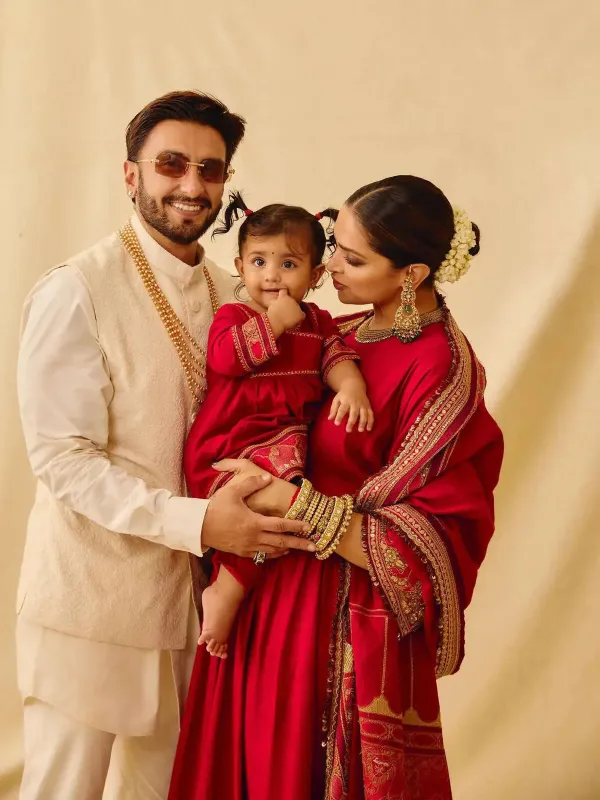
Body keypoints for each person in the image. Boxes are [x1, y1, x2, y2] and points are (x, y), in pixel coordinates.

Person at [15, 90, 313, 800]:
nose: (191, 185)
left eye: (211, 171)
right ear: (131, 175)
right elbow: (63, 459)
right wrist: (202, 521)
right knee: (66, 789)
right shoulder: (76, 289)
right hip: (91, 599)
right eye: (171, 164)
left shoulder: (231, 289)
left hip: (197, 608)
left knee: (173, 788)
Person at [169, 175, 505, 799]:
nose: (330, 269)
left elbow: (430, 542)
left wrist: (288, 500)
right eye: (333, 247)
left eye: (351, 259)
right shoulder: (340, 335)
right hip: (270, 587)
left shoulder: (443, 369)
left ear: (412, 274)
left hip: (339, 619)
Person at [185, 191, 373, 658]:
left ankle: (229, 587)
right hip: (231, 438)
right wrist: (273, 324)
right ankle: (225, 590)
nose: (271, 274)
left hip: (281, 441)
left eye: (288, 264)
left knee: (278, 517)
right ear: (240, 266)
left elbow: (337, 358)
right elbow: (225, 359)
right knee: (268, 508)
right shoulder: (235, 315)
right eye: (259, 261)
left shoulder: (319, 322)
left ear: (313, 276)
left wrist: (351, 388)